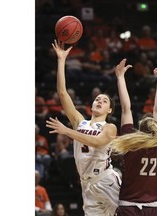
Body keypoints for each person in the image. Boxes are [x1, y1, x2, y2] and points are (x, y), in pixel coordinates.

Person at [46, 39, 121, 216]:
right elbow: (62, 93)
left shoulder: (110, 127)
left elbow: (97, 142)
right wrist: (61, 60)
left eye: (104, 101)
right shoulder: (81, 122)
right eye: (97, 99)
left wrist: (67, 131)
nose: (99, 101)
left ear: (109, 110)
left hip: (106, 181)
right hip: (86, 184)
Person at [112, 59, 157, 215]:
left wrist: (120, 77)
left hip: (128, 205)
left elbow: (125, 109)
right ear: (156, 129)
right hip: (153, 207)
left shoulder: (130, 141)